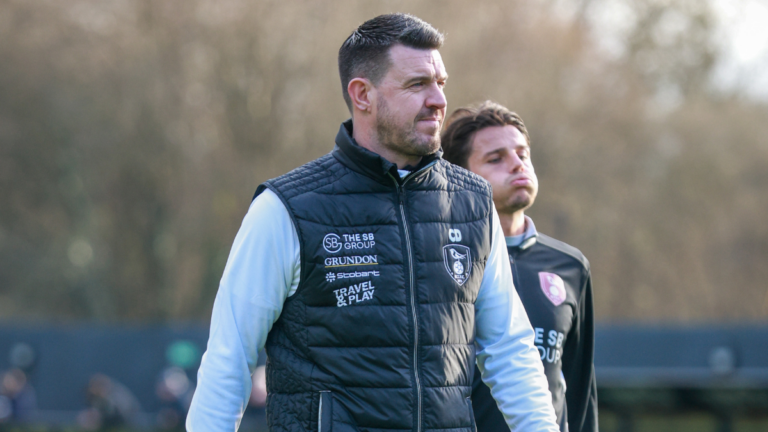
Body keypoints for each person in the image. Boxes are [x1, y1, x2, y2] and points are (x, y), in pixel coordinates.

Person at [187, 14, 559, 432]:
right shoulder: (284, 208)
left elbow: (510, 351)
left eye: (441, 83)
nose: (438, 100)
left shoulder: (472, 201)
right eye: (418, 84)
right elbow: (228, 359)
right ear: (362, 94)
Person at [441, 101, 598, 432]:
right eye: (496, 158)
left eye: (522, 154)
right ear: (461, 176)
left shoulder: (570, 267)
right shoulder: (441, 260)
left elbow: (580, 392)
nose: (517, 165)